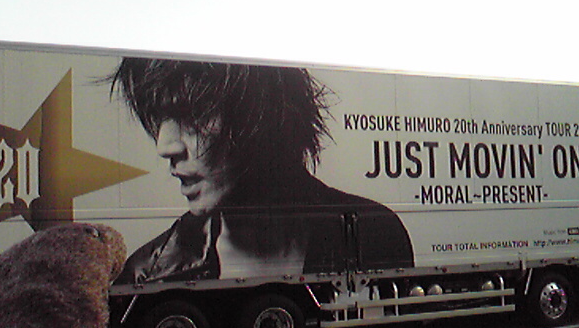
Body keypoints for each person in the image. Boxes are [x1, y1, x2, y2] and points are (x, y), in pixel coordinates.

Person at [111, 58, 413, 285]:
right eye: (158, 118)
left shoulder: (373, 232)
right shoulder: (147, 271)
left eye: (193, 114)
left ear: (262, 116)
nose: (165, 146)